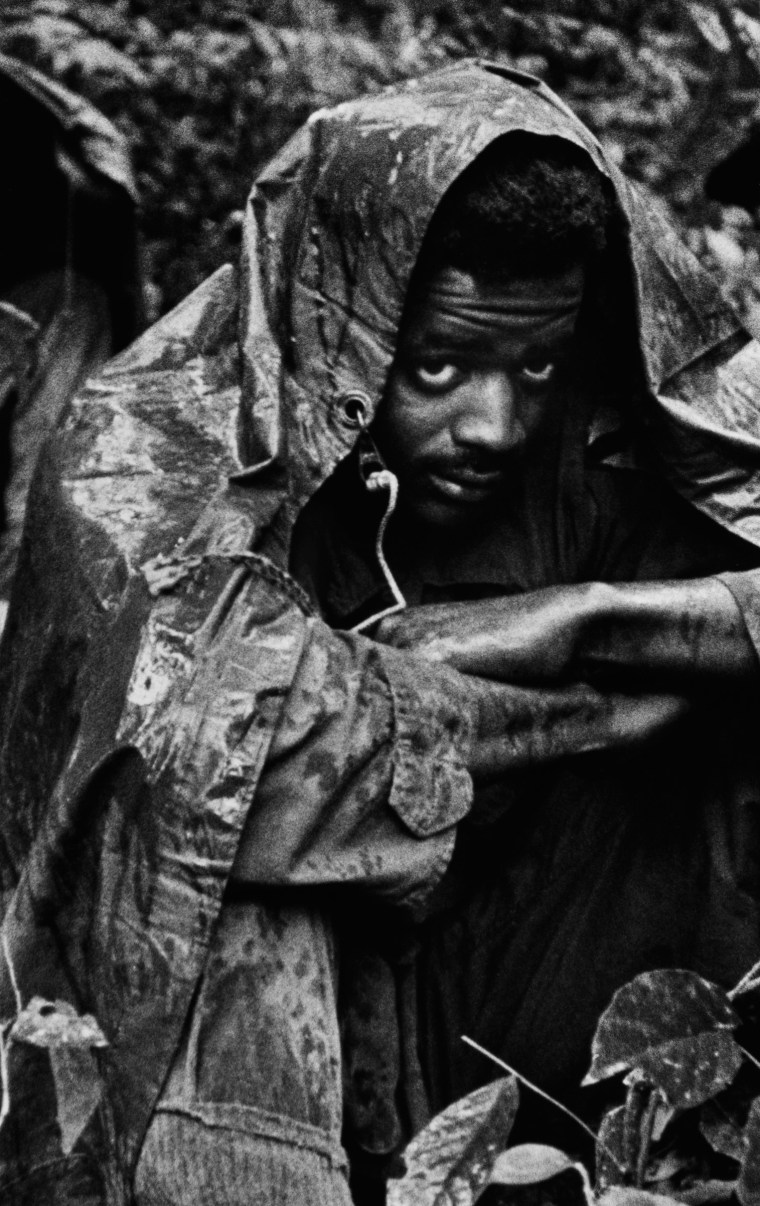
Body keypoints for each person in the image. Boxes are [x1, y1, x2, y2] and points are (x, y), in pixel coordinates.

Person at [0, 59, 759, 1206]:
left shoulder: (624, 437)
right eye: (437, 365)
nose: (493, 424)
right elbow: (227, 769)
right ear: (337, 342)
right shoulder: (151, 449)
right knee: (243, 897)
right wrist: (612, 698)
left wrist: (575, 616)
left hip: (524, 1019)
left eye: (537, 362)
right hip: (274, 1044)